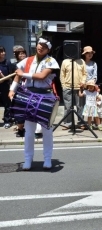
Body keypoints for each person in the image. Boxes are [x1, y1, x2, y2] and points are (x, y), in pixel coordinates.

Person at [8, 37, 60, 170]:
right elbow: (18, 75)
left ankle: (47, 158)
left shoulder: (51, 61)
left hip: (45, 96)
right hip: (29, 96)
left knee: (47, 130)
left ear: (48, 49)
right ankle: (28, 159)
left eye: (44, 46)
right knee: (29, 131)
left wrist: (23, 73)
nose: (40, 47)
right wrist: (11, 89)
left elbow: (42, 76)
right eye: (39, 44)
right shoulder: (28, 60)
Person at [60, 53, 87, 128]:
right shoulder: (65, 61)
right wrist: (63, 86)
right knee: (68, 106)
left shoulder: (81, 61)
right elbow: (62, 74)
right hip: (67, 87)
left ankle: (80, 122)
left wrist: (83, 82)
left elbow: (85, 73)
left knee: (80, 106)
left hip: (79, 87)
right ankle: (68, 123)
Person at [12, 48, 27, 137]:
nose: (22, 55)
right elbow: (13, 78)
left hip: (28, 89)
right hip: (18, 89)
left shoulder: (29, 64)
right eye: (20, 54)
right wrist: (12, 89)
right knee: (19, 109)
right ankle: (20, 128)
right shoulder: (15, 65)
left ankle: (24, 128)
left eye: (23, 53)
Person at [0, 46, 15, 129]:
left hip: (5, 86)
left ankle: (7, 120)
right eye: (1, 51)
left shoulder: (7, 63)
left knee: (7, 104)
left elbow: (10, 77)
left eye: (3, 51)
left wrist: (2, 76)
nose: (3, 53)